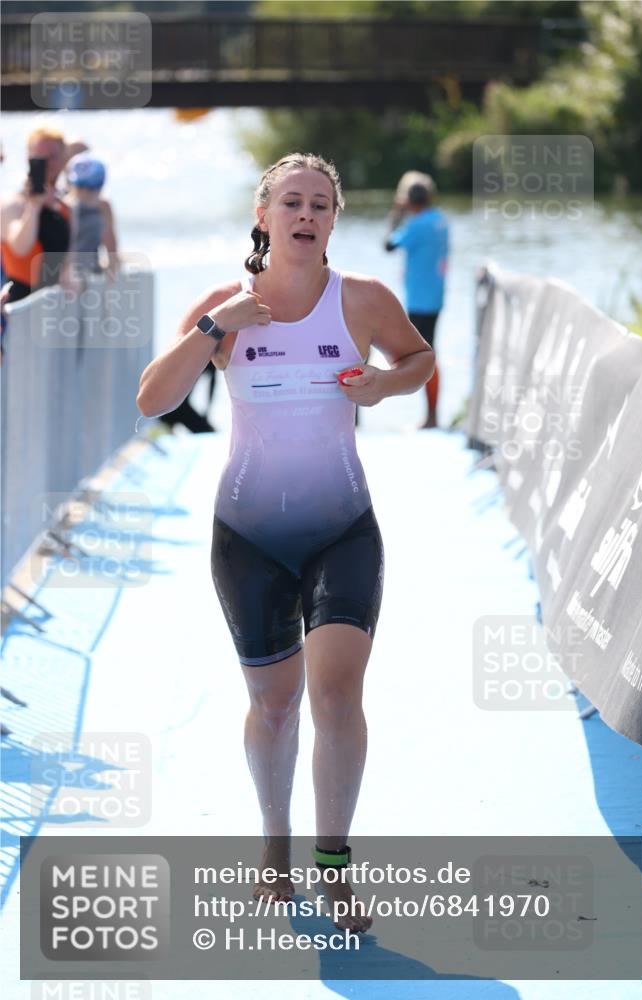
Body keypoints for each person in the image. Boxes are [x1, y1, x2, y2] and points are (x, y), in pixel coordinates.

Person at [136, 152, 434, 934]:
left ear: (334, 220)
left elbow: (418, 358)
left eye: (322, 205)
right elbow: (151, 400)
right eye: (293, 202)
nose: (307, 216)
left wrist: (384, 384)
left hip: (342, 528)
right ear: (263, 215)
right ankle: (275, 844)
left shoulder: (362, 299)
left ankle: (332, 865)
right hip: (249, 537)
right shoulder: (224, 307)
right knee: (273, 707)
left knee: (337, 695)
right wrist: (212, 329)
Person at [385, 171, 449, 429]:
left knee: (425, 356)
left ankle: (431, 417)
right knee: (430, 353)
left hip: (419, 300)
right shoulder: (441, 220)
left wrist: (396, 215)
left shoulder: (415, 225)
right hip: (436, 295)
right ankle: (433, 415)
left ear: (409, 200)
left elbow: (388, 245)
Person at [0, 127, 88, 303]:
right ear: (29, 158)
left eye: (53, 156)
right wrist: (34, 204)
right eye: (40, 157)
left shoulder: (65, 208)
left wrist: (76, 286)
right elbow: (20, 247)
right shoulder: (11, 204)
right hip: (19, 306)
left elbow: (68, 265)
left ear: (63, 159)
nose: (47, 163)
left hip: (51, 308)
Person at [64, 154, 119, 278]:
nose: (84, 192)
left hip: (89, 272)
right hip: (65, 274)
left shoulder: (103, 207)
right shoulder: (63, 207)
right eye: (81, 186)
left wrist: (111, 272)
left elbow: (111, 248)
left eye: (89, 188)